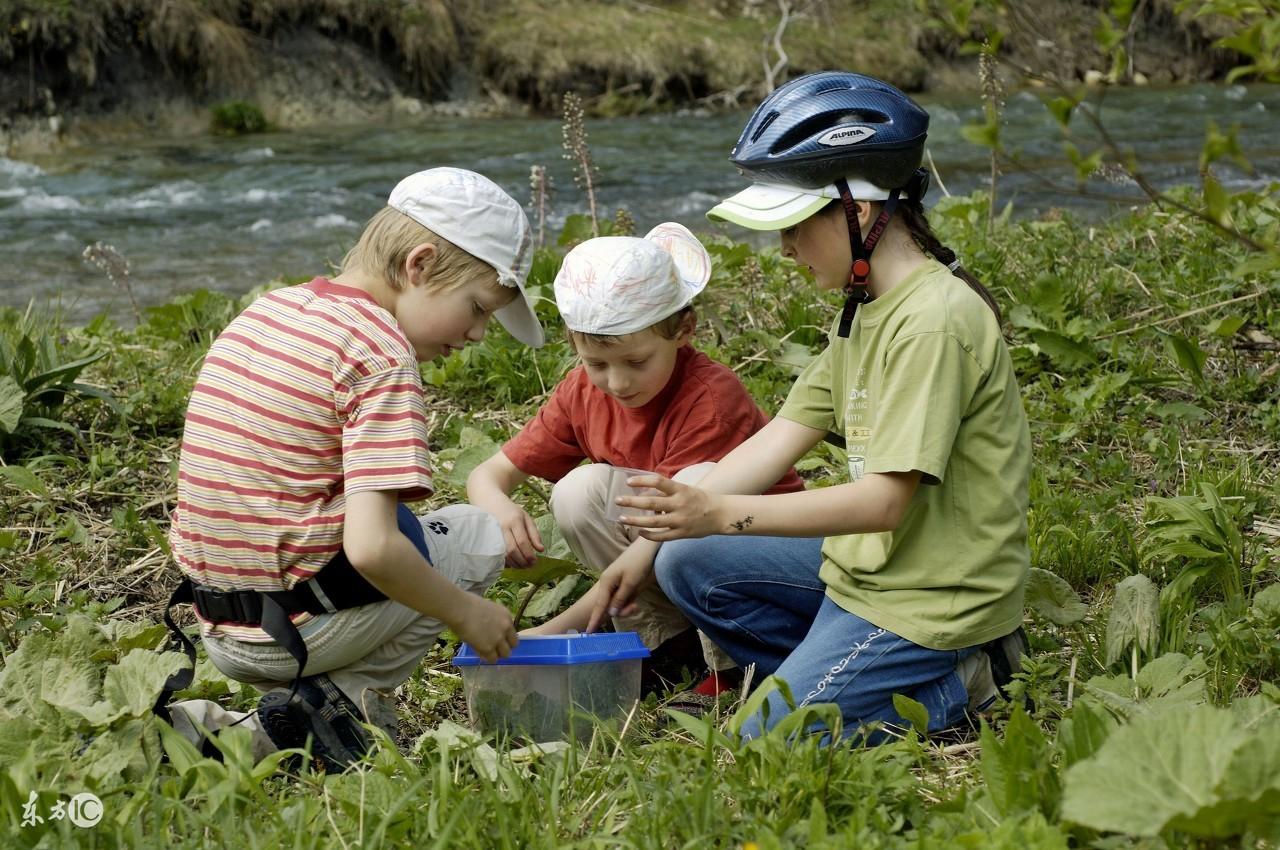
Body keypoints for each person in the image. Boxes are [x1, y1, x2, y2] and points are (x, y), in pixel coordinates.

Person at [592, 71, 1032, 742]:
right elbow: (776, 443)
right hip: (871, 569)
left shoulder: (933, 323)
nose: (785, 249)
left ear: (856, 212)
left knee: (761, 742)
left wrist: (716, 511)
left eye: (793, 226)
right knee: (685, 561)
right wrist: (651, 546)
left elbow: (883, 502)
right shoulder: (864, 311)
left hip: (932, 598)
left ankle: (959, 680)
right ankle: (839, 673)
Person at [162, 167, 544, 771]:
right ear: (418, 266)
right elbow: (371, 550)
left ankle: (257, 726)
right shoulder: (379, 353)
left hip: (216, 624)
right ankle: (337, 706)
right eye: (476, 308)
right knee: (473, 534)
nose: (476, 333)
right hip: (293, 636)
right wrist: (468, 614)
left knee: (408, 530)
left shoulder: (269, 310)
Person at [467, 222, 805, 697]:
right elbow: (489, 474)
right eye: (598, 363)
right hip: (665, 543)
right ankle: (668, 643)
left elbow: (671, 531)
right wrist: (497, 506)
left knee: (695, 479)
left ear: (684, 330)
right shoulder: (582, 391)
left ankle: (731, 662)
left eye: (637, 362)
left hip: (753, 558)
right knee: (578, 492)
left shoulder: (709, 399)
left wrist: (553, 630)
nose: (618, 383)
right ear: (573, 343)